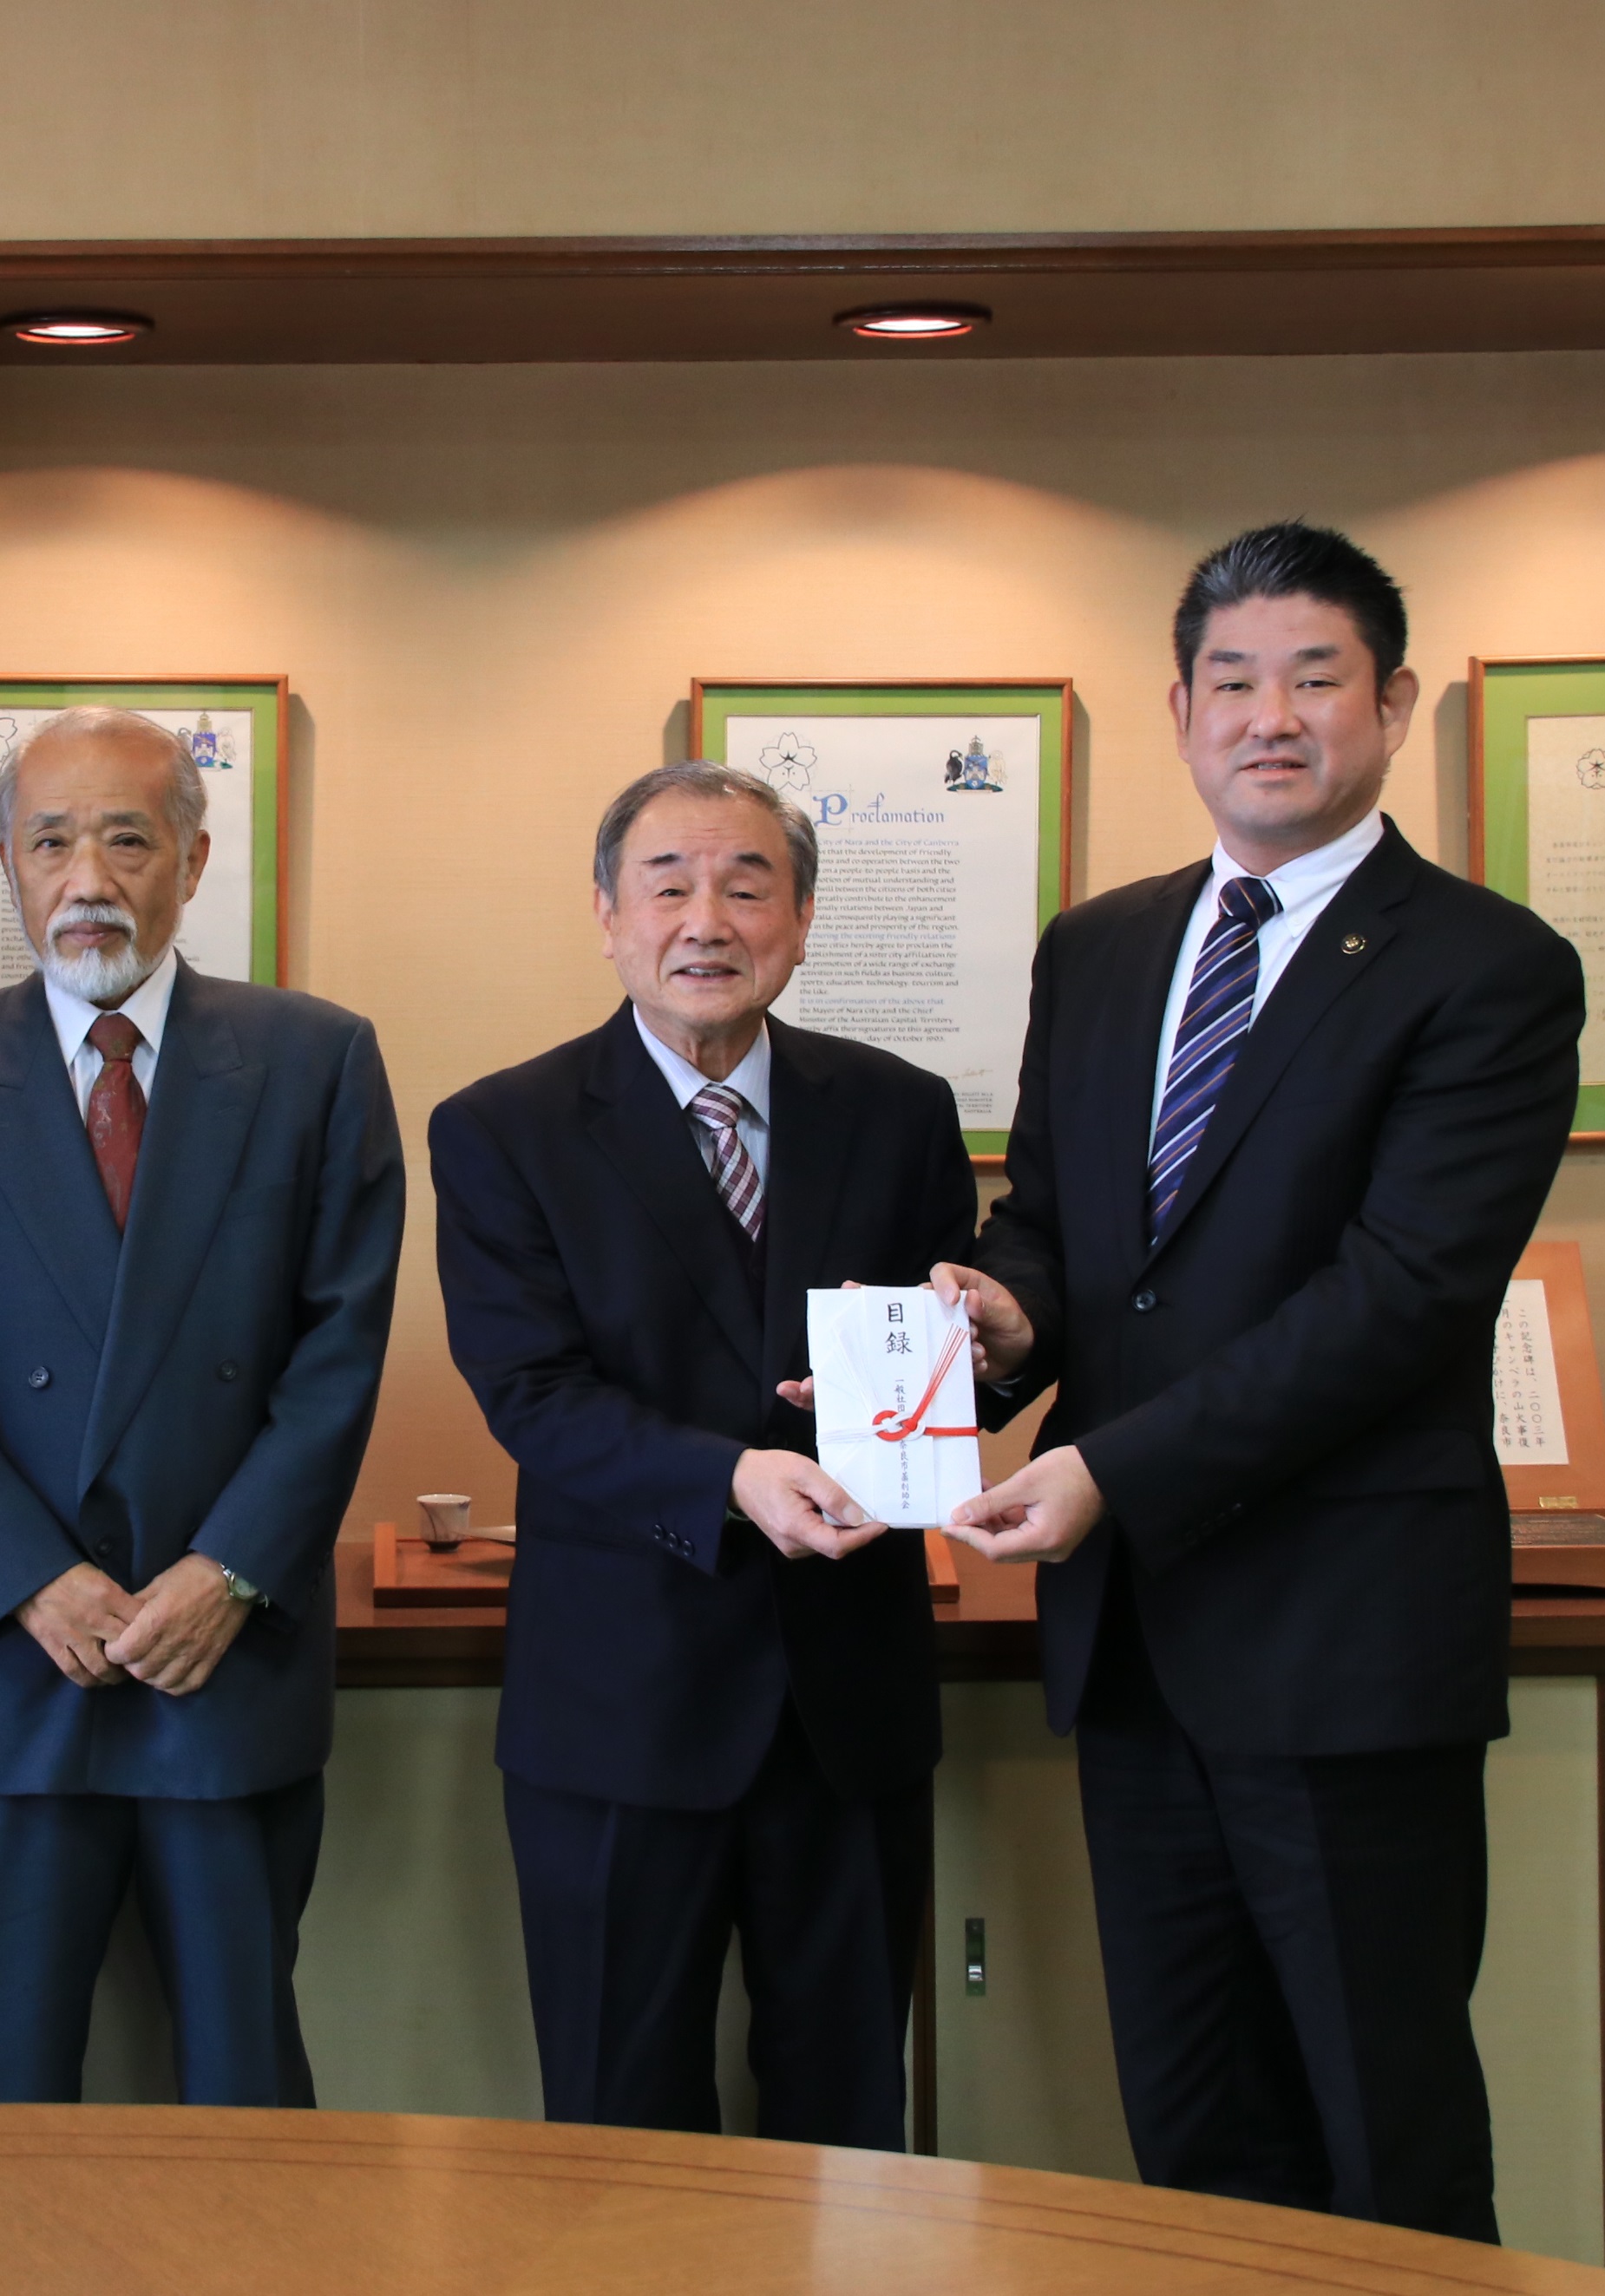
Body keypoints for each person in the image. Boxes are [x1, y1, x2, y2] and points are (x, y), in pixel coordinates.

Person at [954, 522, 1585, 2240]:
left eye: (1314, 678)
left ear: (1390, 704)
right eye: (1230, 680)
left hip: (1343, 1642)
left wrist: (1104, 1471)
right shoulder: (1096, 947)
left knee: (1376, 2126)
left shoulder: (1485, 968)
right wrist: (999, 1322)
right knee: (1191, 2123)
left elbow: (1397, 1299)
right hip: (1138, 1644)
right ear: (1176, 709)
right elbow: (1057, 1234)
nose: (1270, 716)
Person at [0, 706, 403, 2105]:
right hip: (15, 1650)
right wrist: (35, 1581)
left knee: (242, 2076)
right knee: (2, 2073)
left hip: (228, 1645)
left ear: (194, 862)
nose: (88, 877)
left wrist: (228, 1574)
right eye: (49, 841)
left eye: (127, 839)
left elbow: (341, 1348)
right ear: (12, 872)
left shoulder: (312, 1059)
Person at [427, 761, 975, 2149]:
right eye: (666, 883)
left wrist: (975, 1381)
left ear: (798, 918)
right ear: (607, 914)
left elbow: (939, 1357)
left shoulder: (900, 1111)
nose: (705, 917)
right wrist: (729, 1478)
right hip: (621, 1702)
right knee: (621, 2120)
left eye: (746, 884)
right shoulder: (506, 1128)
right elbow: (528, 1390)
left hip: (845, 1699)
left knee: (853, 2115)